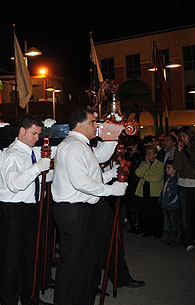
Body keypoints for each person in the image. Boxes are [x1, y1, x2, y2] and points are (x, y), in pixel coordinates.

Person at [52, 109, 128, 305]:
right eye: (93, 122)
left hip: (80, 209)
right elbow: (80, 182)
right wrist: (111, 191)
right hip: (73, 210)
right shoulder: (74, 146)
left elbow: (98, 160)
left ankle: (80, 299)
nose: (97, 126)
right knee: (74, 262)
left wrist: (112, 134)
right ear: (79, 124)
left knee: (84, 260)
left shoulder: (81, 145)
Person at [0, 116, 51, 305]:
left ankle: (29, 297)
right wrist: (37, 168)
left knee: (30, 256)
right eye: (34, 133)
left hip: (29, 207)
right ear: (22, 131)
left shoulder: (29, 152)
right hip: (14, 209)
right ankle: (9, 299)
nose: (37, 138)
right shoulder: (13, 154)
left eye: (38, 134)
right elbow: (13, 184)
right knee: (12, 259)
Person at [171, 126, 195, 250]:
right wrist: (178, 151)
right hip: (183, 184)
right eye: (180, 136)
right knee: (185, 213)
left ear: (190, 135)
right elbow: (177, 166)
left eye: (184, 136)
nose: (182, 139)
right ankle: (188, 240)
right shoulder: (180, 149)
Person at [135, 146, 164, 238]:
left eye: (150, 153)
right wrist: (147, 165)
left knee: (155, 212)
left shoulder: (160, 164)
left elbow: (157, 178)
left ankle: (157, 231)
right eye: (147, 153)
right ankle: (147, 230)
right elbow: (138, 173)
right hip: (144, 191)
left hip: (154, 192)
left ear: (155, 154)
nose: (148, 155)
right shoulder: (144, 163)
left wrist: (145, 177)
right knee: (145, 211)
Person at [160, 162, 181, 244]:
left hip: (173, 206)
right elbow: (164, 191)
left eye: (169, 168)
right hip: (166, 205)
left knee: (174, 222)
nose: (167, 170)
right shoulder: (168, 179)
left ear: (174, 170)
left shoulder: (175, 181)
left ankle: (175, 237)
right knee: (168, 222)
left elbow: (176, 194)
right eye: (166, 168)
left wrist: (170, 202)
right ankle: (170, 236)